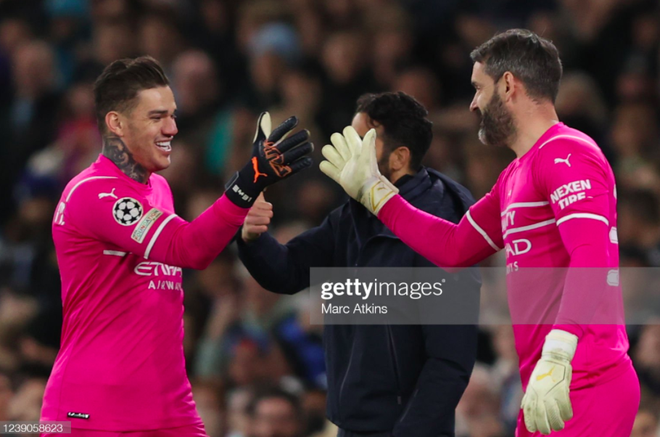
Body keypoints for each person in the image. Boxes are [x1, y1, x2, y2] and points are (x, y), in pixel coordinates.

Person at [320, 29, 639, 436]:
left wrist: (558, 353)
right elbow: (454, 248)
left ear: (509, 85)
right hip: (547, 385)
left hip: (586, 378)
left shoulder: (568, 152)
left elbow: (591, 256)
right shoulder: (515, 175)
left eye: (478, 88)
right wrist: (376, 194)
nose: (472, 103)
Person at [40, 55, 313, 437]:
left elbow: (196, 240)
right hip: (94, 408)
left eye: (172, 114)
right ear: (116, 123)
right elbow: (188, 248)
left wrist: (243, 218)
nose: (172, 127)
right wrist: (245, 183)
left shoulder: (159, 188)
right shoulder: (93, 191)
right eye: (156, 117)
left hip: (169, 405)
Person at [238, 92, 479, 437]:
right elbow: (287, 270)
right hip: (353, 424)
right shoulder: (352, 217)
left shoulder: (442, 226)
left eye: (360, 141)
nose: (346, 150)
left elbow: (449, 360)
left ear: (399, 158)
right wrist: (252, 232)